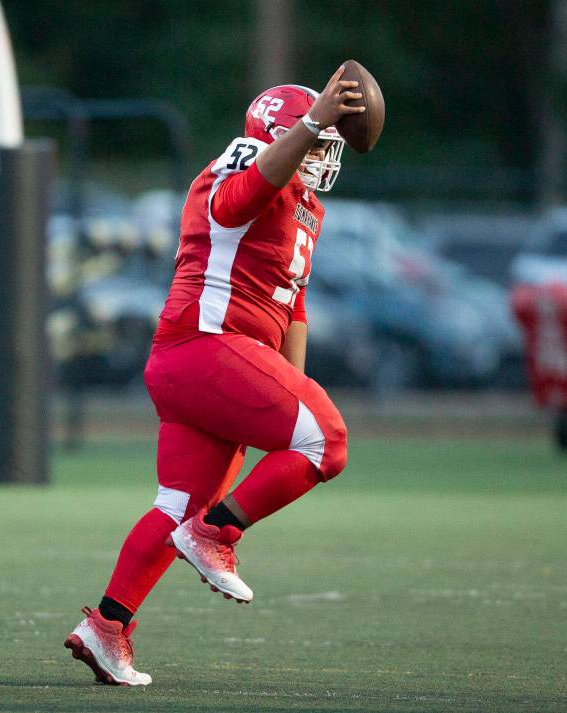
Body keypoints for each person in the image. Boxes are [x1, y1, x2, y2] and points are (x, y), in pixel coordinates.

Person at [65, 67, 363, 685]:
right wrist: (309, 123)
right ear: (284, 137)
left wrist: (289, 387)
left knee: (176, 508)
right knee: (327, 442)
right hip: (205, 346)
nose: (320, 156)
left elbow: (293, 304)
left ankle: (106, 627)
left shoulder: (307, 208)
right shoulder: (242, 161)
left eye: (326, 145)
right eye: (313, 143)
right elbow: (236, 200)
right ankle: (219, 533)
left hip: (222, 362)